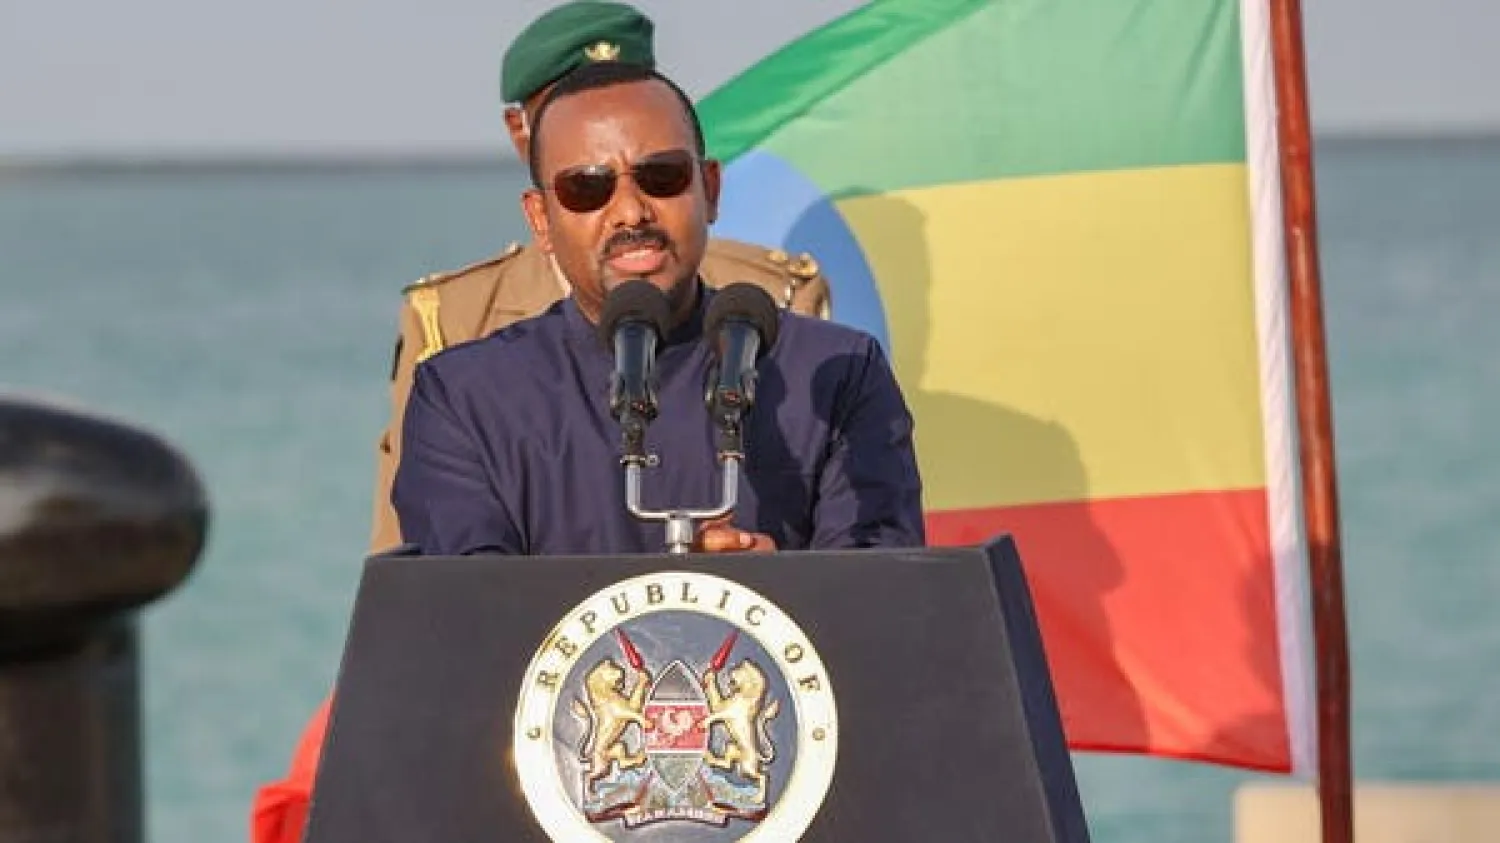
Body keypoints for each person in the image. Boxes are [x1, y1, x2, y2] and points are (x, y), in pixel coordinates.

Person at [394, 60, 924, 556]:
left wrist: (779, 591)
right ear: (540, 219)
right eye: (586, 188)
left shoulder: (835, 375)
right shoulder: (465, 400)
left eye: (662, 176)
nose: (630, 211)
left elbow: (881, 607)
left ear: (709, 190)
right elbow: (466, 621)